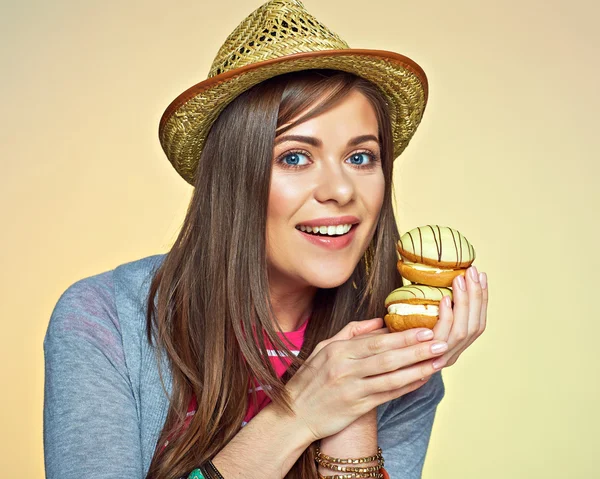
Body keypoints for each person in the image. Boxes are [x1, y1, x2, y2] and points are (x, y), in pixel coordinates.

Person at [43, 1, 488, 478]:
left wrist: (361, 393)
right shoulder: (104, 318)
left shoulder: (392, 355)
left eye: (361, 157)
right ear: (233, 176)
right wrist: (299, 413)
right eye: (295, 158)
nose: (341, 191)